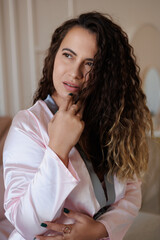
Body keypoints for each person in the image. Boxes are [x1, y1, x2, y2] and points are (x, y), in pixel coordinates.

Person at [3, 11, 152, 240]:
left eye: (90, 63)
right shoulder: (28, 125)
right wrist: (57, 149)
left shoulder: (115, 123)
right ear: (54, 56)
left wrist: (100, 229)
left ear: (107, 72)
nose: (75, 73)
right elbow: (26, 224)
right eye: (68, 55)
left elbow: (132, 190)